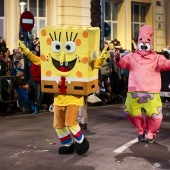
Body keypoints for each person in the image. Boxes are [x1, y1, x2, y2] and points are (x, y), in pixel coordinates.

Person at [19, 27, 109, 155]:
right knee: (58, 125)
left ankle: (81, 141)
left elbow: (93, 64)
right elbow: (39, 61)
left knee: (70, 122)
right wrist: (27, 52)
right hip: (58, 98)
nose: (62, 57)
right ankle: (67, 144)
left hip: (73, 97)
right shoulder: (51, 60)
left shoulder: (79, 60)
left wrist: (103, 56)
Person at [113, 25, 170, 144]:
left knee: (154, 115)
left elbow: (165, 65)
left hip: (152, 92)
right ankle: (141, 129)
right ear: (138, 41)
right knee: (130, 112)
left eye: (147, 41)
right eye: (141, 41)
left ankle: (150, 133)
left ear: (151, 43)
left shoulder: (157, 58)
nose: (144, 45)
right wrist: (117, 58)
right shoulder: (131, 57)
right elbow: (122, 63)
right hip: (134, 91)